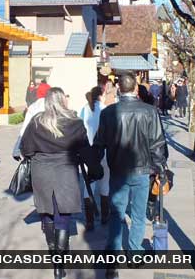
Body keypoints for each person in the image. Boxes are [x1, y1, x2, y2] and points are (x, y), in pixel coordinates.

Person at [20, 88, 103, 279]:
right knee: (63, 216)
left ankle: (55, 258)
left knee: (47, 214)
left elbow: (26, 148)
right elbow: (85, 149)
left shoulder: (37, 122)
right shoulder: (74, 122)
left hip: (42, 172)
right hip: (66, 170)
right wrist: (95, 168)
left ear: (47, 102)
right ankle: (59, 264)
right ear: (62, 101)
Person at [94, 73, 167, 260]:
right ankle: (135, 252)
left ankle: (113, 251)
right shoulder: (149, 111)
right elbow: (157, 144)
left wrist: (94, 165)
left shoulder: (108, 113)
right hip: (142, 170)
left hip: (118, 169)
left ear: (119, 89)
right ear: (135, 89)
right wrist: (160, 169)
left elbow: (99, 143)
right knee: (138, 214)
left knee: (116, 212)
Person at [79, 86, 109, 229]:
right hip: (103, 152)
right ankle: (104, 217)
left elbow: (79, 130)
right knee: (105, 186)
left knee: (88, 186)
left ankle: (89, 221)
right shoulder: (106, 110)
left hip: (88, 153)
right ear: (101, 95)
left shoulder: (84, 109)